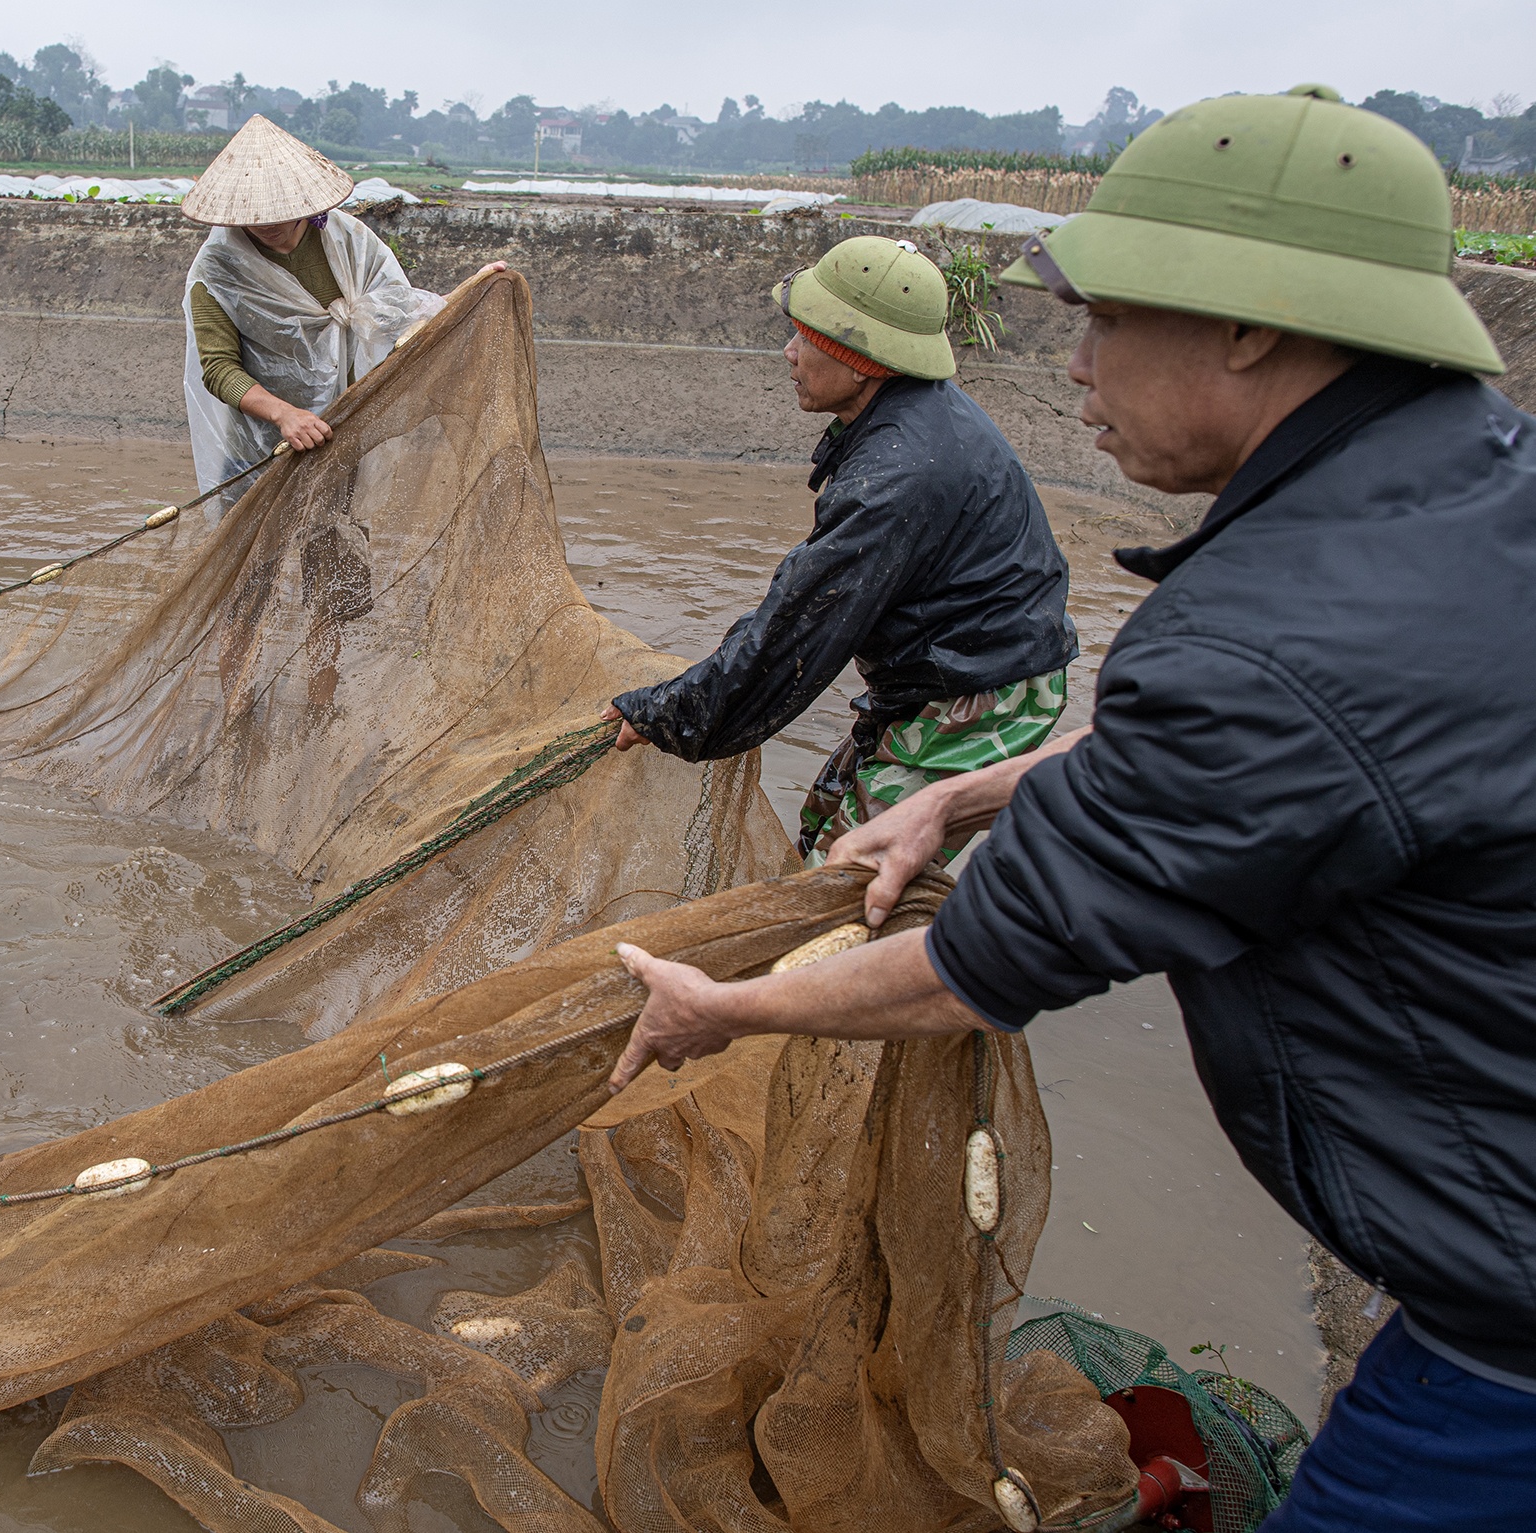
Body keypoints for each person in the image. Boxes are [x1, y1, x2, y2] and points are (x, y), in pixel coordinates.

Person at [608, 86, 1530, 1529]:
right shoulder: (1457, 490)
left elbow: (983, 973)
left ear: (1250, 327)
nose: (1076, 371)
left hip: (1505, 1342)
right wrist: (966, 795)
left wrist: (720, 1012)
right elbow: (1303, 739)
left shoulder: (1261, 631)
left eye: (1103, 318)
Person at [601, 234, 1077, 864]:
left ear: (863, 359)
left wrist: (667, 713)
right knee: (823, 819)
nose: (789, 352)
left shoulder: (897, 479)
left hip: (985, 691)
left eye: (806, 336)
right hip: (946, 670)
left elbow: (794, 634)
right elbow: (806, 603)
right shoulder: (906, 419)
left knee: (847, 871)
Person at [178, 114, 499, 498]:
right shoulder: (219, 266)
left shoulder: (347, 240)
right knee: (254, 556)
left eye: (277, 209)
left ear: (303, 198)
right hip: (260, 443)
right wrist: (285, 415)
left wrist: (454, 300)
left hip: (336, 429)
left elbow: (393, 314)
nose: (265, 223)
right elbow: (217, 368)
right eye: (252, 215)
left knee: (334, 544)